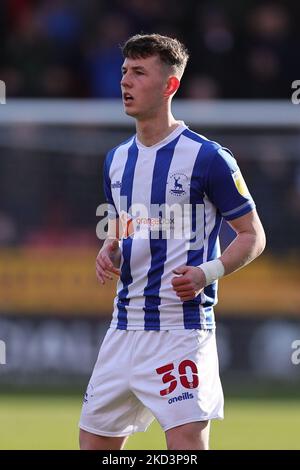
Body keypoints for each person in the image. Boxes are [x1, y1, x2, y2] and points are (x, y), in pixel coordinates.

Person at [79, 33, 266, 450]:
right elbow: (127, 223)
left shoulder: (209, 157)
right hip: (122, 329)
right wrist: (110, 244)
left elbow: (253, 236)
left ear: (170, 86)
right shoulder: (116, 159)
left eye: (139, 72)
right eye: (125, 71)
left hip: (179, 332)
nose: (125, 81)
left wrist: (207, 272)